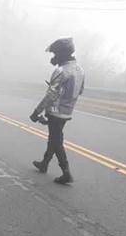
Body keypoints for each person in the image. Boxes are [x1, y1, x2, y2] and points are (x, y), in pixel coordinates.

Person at [30, 37, 85, 184]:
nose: (53, 57)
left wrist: (37, 112)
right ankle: (44, 163)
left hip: (56, 111)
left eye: (55, 54)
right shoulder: (80, 70)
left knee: (56, 140)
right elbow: (80, 91)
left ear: (62, 54)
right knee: (53, 138)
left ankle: (66, 172)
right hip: (68, 110)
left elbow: (51, 95)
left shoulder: (61, 71)